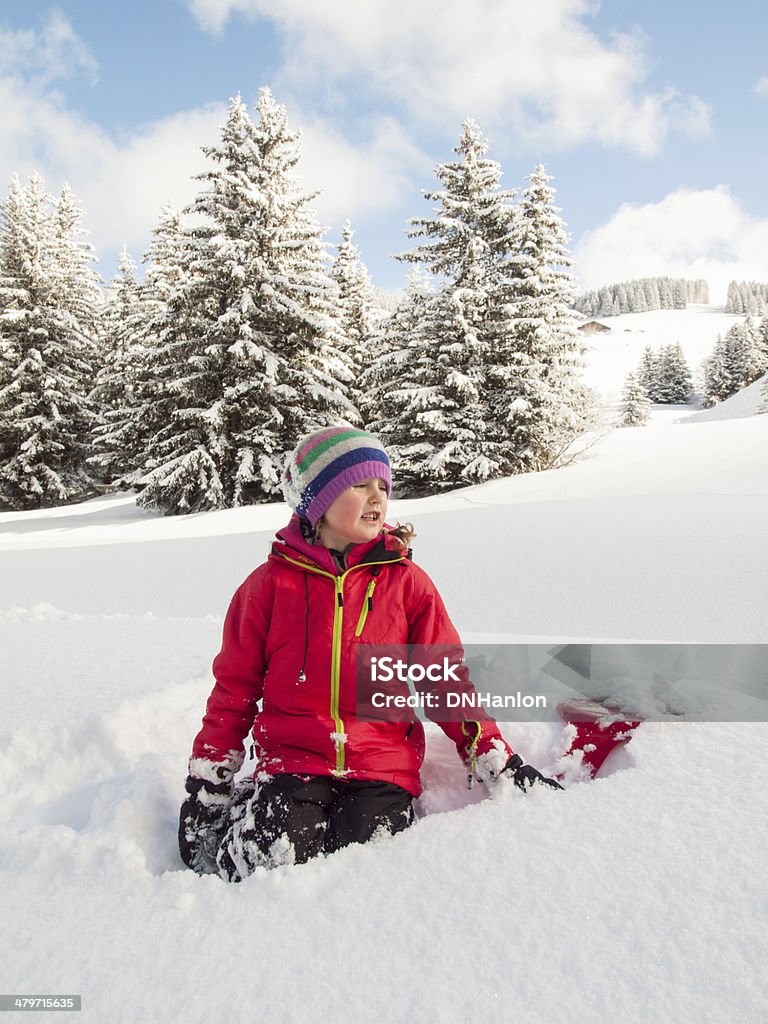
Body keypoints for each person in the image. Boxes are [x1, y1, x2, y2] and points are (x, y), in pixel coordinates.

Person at [178, 426, 561, 882]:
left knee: (366, 867)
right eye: (359, 484)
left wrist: (490, 751)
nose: (376, 496)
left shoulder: (406, 583)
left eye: (383, 486)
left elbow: (444, 679)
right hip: (294, 758)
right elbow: (234, 689)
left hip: (381, 764)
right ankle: (246, 814)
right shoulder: (268, 587)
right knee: (273, 859)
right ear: (316, 502)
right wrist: (209, 779)